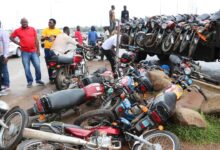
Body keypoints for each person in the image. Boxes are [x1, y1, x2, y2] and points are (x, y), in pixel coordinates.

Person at [10, 18, 44, 88]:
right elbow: (11, 37)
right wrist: (18, 43)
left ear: (27, 22)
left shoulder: (32, 29)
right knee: (26, 68)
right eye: (23, 22)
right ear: (21, 23)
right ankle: (30, 81)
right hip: (25, 52)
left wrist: (38, 50)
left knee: (37, 66)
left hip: (34, 51)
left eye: (25, 22)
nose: (24, 23)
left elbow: (36, 40)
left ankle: (38, 80)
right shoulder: (17, 30)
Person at [0, 21, 9, 96]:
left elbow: (6, 44)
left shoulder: (3, 32)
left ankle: (6, 86)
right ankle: (2, 85)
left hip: (2, 55)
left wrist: (6, 55)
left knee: (4, 71)